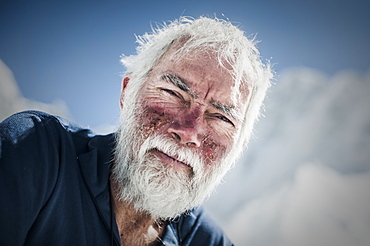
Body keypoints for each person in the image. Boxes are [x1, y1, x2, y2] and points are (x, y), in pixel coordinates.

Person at [0, 16, 272, 245]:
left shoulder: (205, 241)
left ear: (240, 146)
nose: (189, 131)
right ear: (128, 92)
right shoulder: (35, 150)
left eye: (221, 117)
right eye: (173, 93)